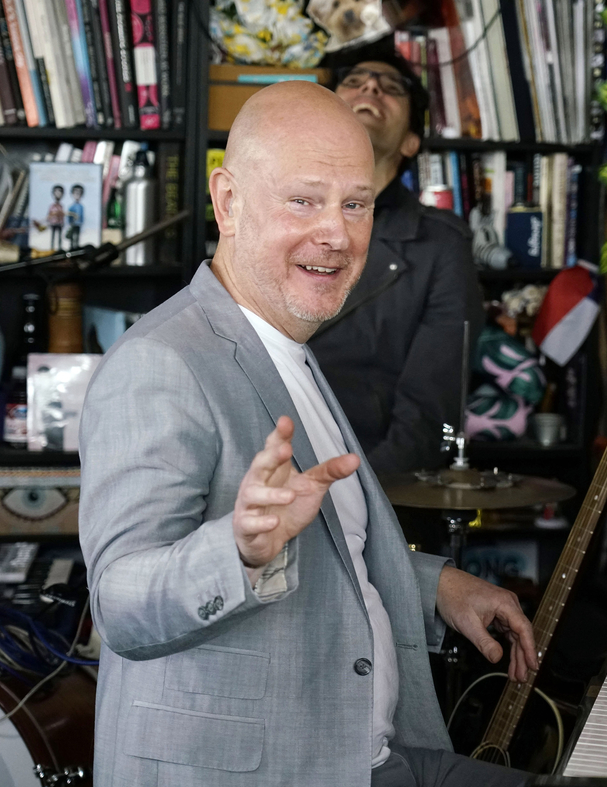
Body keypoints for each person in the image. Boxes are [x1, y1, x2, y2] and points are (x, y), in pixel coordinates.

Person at [79, 81, 536, 786]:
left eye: (355, 204)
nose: (337, 234)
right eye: (303, 200)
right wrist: (237, 549)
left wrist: (437, 585)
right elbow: (120, 604)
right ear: (228, 202)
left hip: (367, 755)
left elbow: (330, 549)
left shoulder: (287, 345)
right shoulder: (161, 362)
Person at [307, 46, 485, 476]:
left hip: (368, 484)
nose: (370, 87)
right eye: (353, 81)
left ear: (410, 142)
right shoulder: (274, 217)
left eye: (391, 87)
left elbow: (427, 417)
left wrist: (348, 495)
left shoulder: (440, 245)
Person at [65, 184, 85, 248]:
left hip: (78, 225)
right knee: (72, 236)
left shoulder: (81, 206)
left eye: (79, 193)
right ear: (72, 194)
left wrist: (81, 222)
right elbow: (69, 215)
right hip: (73, 224)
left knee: (77, 236)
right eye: (76, 193)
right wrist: (70, 222)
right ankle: (72, 247)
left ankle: (76, 247)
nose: (77, 195)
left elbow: (82, 216)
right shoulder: (71, 206)